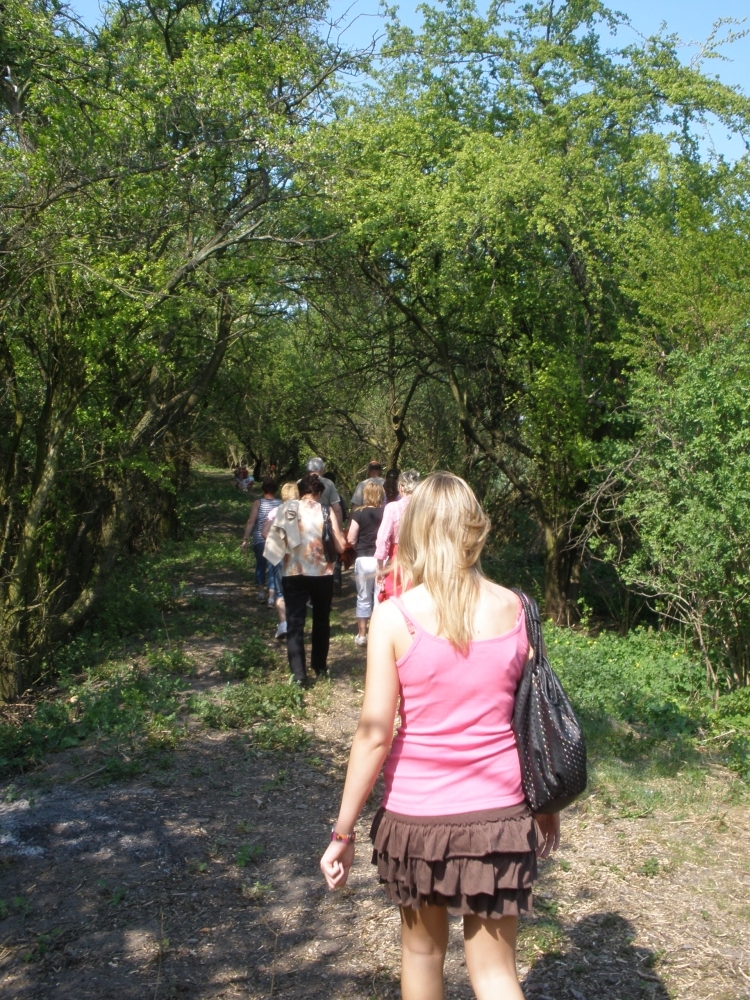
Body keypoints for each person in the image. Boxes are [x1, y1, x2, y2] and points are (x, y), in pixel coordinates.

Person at [320, 472, 560, 1000]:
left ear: (416, 532)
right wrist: (547, 806)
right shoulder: (518, 609)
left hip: (417, 820)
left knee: (423, 955)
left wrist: (343, 833)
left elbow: (374, 735)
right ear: (476, 528)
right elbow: (534, 722)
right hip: (499, 819)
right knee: (496, 974)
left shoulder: (393, 618)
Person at [280, 474, 345, 687]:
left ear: (300, 492)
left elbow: (269, 538)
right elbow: (340, 546)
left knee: (295, 623)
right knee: (321, 620)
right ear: (318, 493)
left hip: (293, 572)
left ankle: (299, 675)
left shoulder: (288, 509)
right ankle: (319, 666)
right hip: (321, 572)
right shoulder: (325, 511)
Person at [346, 481, 385, 646]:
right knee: (379, 597)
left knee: (363, 597)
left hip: (363, 559)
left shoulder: (358, 513)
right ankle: (378, 635)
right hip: (381, 559)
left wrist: (357, 548)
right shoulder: (385, 512)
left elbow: (350, 538)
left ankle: (362, 635)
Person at [374, 468, 420, 601]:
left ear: (401, 487)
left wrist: (380, 567)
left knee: (394, 600)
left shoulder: (392, 508)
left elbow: (382, 539)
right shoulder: (425, 508)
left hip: (398, 558)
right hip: (420, 556)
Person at [261, 482, 299, 639]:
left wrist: (276, 539)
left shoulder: (277, 511)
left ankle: (283, 624)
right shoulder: (303, 511)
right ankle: (294, 624)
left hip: (279, 555)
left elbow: (264, 532)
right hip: (298, 557)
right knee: (296, 591)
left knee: (280, 591)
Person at [240, 478, 280, 603]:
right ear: (275, 490)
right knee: (273, 567)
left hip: (259, 539)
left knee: (260, 564)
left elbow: (251, 521)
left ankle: (261, 593)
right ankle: (272, 597)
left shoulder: (258, 503)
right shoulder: (281, 504)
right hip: (275, 540)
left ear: (263, 490)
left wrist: (245, 539)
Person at [304, 457, 343, 526]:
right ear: (321, 469)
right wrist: (339, 528)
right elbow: (337, 509)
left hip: (304, 524)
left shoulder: (300, 483)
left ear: (308, 470)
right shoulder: (329, 483)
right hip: (323, 524)